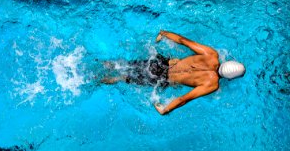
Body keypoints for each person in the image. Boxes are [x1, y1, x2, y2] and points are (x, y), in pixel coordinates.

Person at [101, 30, 245, 115]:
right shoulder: (212, 84)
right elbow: (184, 99)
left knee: (121, 65)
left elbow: (183, 41)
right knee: (122, 78)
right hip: (162, 79)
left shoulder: (211, 54)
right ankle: (96, 80)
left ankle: (101, 63)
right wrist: (165, 110)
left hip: (160, 63)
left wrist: (164, 33)